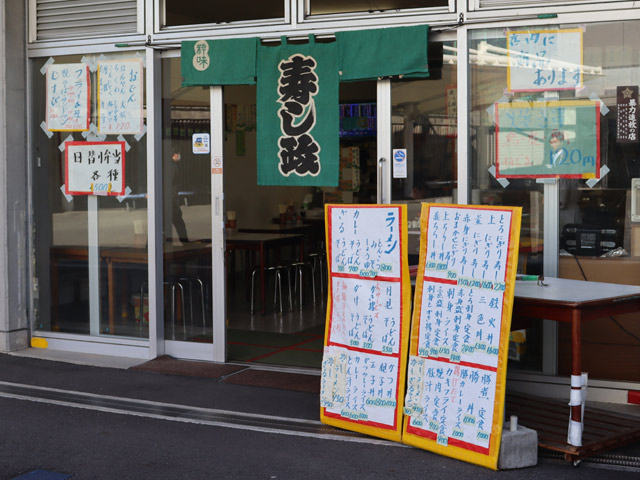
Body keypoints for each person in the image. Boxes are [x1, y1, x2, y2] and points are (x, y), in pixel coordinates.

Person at [170, 151, 189, 243]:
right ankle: (184, 240)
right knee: (178, 219)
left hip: (170, 196)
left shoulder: (171, 166)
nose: (178, 156)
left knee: (161, 222)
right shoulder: (173, 167)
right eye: (176, 154)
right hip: (170, 197)